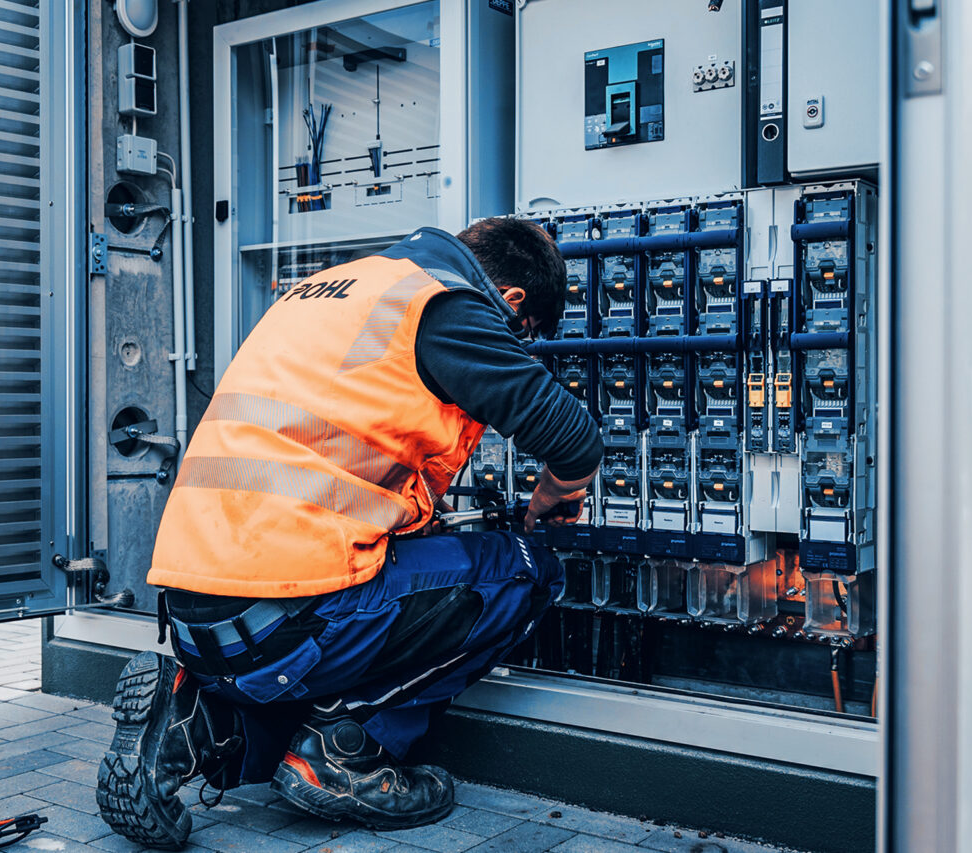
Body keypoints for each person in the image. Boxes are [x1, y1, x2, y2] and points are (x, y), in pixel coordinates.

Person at [95, 218, 599, 849]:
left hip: (199, 618)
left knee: (351, 598)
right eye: (520, 337)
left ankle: (189, 719)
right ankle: (345, 754)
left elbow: (325, 454)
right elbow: (573, 439)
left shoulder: (333, 286)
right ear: (513, 301)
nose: (512, 345)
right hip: (286, 624)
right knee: (525, 570)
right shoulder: (444, 307)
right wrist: (554, 493)